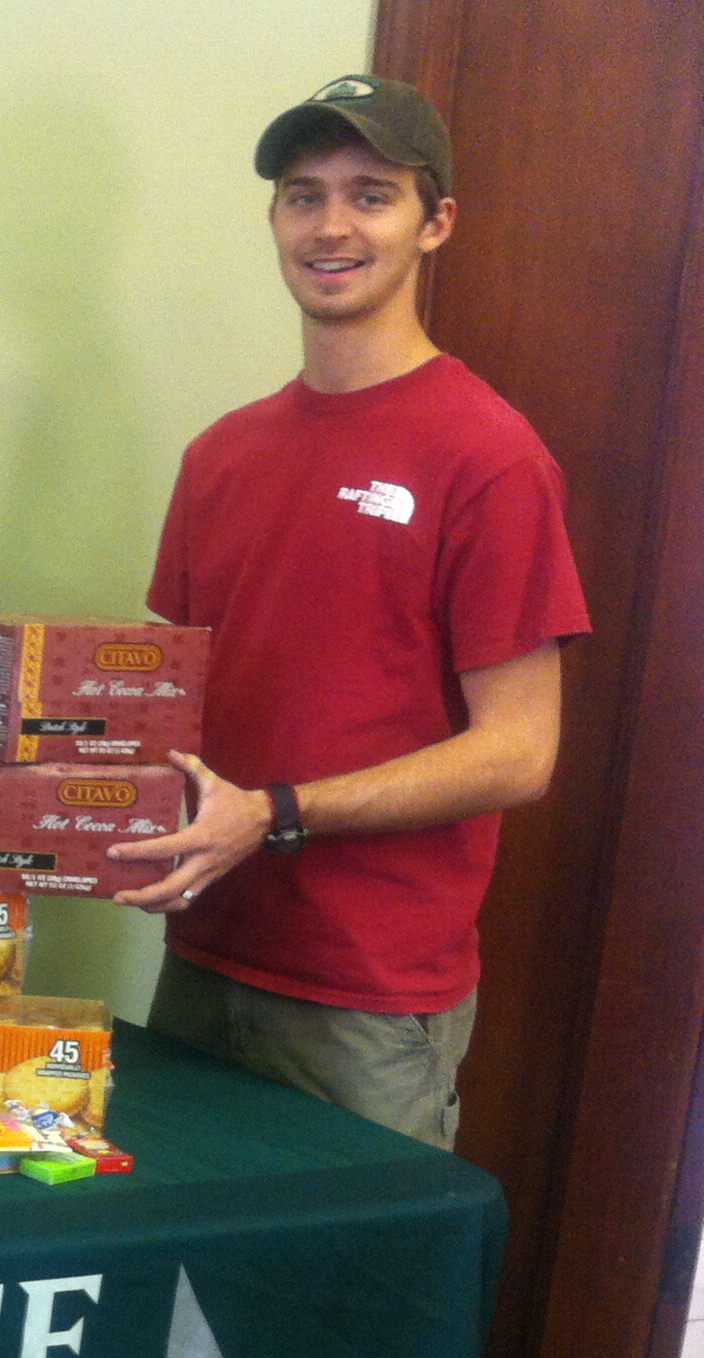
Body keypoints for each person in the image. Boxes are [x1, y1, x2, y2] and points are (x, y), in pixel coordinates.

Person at [112, 74, 589, 1150]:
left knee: (347, 1314)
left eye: (371, 194)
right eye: (302, 193)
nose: (331, 225)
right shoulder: (221, 454)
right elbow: (161, 703)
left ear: (437, 224)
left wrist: (276, 810)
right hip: (201, 958)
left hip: (369, 1000)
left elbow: (520, 753)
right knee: (185, 1302)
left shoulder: (491, 458)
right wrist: (56, 809)